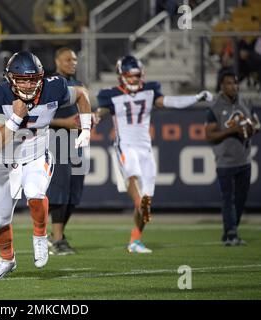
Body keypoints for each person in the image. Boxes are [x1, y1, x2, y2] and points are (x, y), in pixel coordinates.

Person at [0, 51, 92, 279]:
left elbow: (81, 94)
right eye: (22, 79)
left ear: (41, 77)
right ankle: (6, 259)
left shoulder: (54, 87)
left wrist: (87, 128)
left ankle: (41, 237)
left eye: (32, 79)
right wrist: (14, 118)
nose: (28, 85)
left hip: (36, 156)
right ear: (10, 78)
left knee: (35, 192)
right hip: (5, 163)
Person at [95, 55, 213, 254]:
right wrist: (96, 116)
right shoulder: (110, 94)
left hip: (145, 148)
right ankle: (137, 202)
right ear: (121, 76)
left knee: (148, 198)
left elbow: (169, 102)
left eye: (136, 76)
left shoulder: (150, 90)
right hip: (125, 144)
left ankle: (135, 240)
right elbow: (103, 110)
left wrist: (195, 98)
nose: (133, 80)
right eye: (129, 76)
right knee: (132, 176)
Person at [205, 70, 260, 246]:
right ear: (222, 85)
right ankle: (231, 233)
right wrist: (232, 130)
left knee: (241, 199)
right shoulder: (215, 107)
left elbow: (254, 124)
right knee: (228, 198)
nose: (234, 86)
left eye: (235, 83)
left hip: (244, 159)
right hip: (225, 161)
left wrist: (251, 129)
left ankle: (230, 231)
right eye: (229, 83)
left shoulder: (245, 102)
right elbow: (210, 135)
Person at [46, 47, 85, 255]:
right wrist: (65, 122)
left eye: (75, 59)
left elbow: (81, 115)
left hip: (76, 143)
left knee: (74, 192)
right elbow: (39, 117)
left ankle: (56, 236)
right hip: (56, 141)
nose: (72, 63)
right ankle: (57, 238)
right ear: (57, 61)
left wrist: (90, 119)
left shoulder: (78, 84)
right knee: (60, 190)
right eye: (67, 59)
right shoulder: (51, 84)